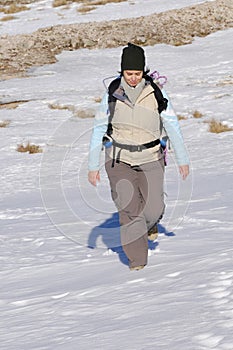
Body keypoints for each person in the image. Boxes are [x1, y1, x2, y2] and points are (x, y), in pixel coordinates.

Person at [88, 43, 189, 271]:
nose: (133, 78)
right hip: (119, 159)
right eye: (128, 73)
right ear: (122, 71)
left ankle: (150, 224)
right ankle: (137, 261)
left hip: (151, 156)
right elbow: (98, 129)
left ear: (144, 71)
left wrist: (182, 158)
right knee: (129, 209)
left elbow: (172, 126)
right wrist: (93, 165)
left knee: (153, 207)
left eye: (137, 73)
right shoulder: (112, 93)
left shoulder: (156, 93)